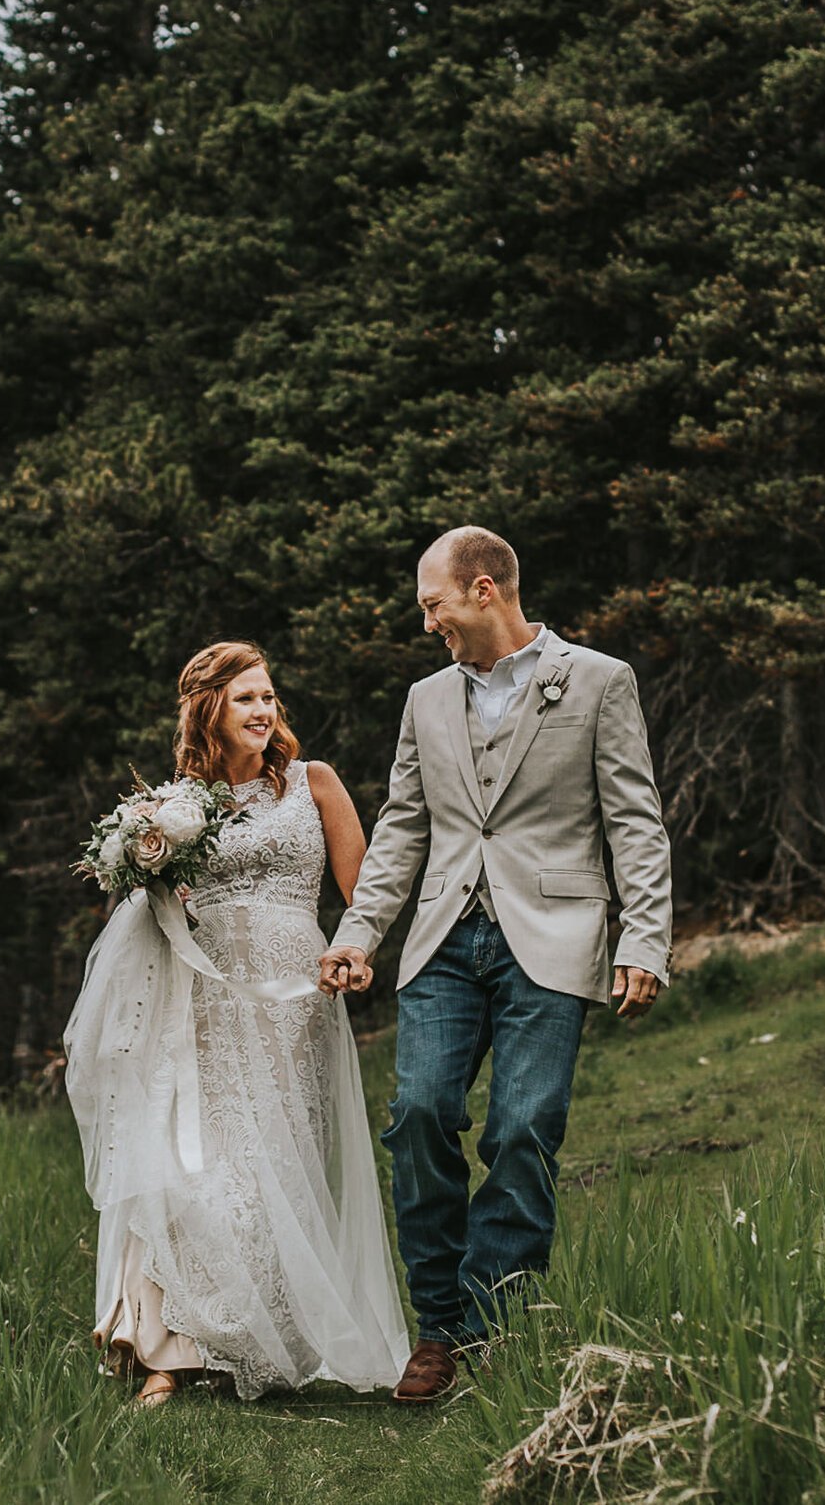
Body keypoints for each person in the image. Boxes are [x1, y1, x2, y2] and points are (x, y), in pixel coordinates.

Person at [319, 527, 673, 1405]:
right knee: (420, 1112)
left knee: (523, 1128)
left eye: (433, 603)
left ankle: (489, 1326)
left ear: (485, 589)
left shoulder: (600, 680)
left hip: (552, 935)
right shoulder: (425, 698)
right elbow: (403, 825)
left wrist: (644, 938)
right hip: (444, 937)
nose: (427, 622)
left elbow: (634, 820)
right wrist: (360, 933)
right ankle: (438, 1325)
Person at [63, 642, 409, 1405]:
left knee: (274, 1166)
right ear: (209, 710)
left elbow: (364, 890)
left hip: (294, 1001)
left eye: (268, 696)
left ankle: (243, 1341)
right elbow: (154, 913)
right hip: (207, 998)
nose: (263, 709)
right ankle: (166, 1345)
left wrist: (357, 954)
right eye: (246, 697)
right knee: (193, 1163)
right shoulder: (178, 808)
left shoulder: (315, 783)